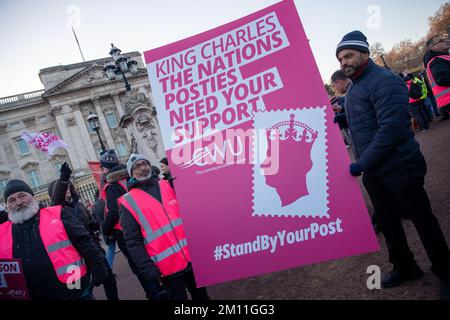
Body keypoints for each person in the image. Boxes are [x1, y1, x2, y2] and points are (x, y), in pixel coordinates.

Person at [336, 30, 450, 300]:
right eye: (341, 59)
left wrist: (361, 163)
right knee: (388, 222)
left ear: (364, 53)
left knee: (423, 220)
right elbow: (365, 120)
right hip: (376, 171)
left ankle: (445, 271)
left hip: (400, 166)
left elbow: (392, 128)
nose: (344, 62)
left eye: (349, 55)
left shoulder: (384, 80)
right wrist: (341, 120)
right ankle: (405, 266)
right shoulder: (355, 86)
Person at [119, 154, 209, 300]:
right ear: (131, 174)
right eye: (137, 166)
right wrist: (147, 268)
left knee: (202, 296)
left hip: (190, 258)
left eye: (144, 163)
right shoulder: (128, 202)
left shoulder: (167, 184)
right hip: (166, 268)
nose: (142, 168)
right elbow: (133, 242)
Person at [0, 179, 108, 300]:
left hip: (73, 288)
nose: (18, 202)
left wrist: (98, 266)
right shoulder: (2, 231)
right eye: (12, 200)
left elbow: (83, 240)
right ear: (7, 206)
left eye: (22, 196)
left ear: (32, 196)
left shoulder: (56, 213)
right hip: (33, 295)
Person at [48, 162, 119, 300]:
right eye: (64, 188)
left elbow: (90, 224)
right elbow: (57, 200)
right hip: (74, 258)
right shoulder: (56, 210)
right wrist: (63, 179)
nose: (67, 189)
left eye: (68, 187)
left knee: (109, 280)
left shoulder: (79, 205)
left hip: (94, 251)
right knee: (83, 292)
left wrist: (96, 224)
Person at [100, 149, 158, 299]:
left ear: (106, 168)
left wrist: (105, 228)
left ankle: (154, 293)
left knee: (139, 265)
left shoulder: (111, 185)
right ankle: (160, 288)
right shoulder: (131, 176)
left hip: (125, 230)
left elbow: (113, 212)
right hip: (144, 222)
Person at [424, 34, 450, 121]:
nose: (445, 41)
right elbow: (441, 79)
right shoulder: (437, 61)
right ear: (433, 48)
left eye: (443, 39)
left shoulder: (441, 58)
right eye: (441, 41)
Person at [330, 70, 352, 146]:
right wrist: (341, 109)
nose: (334, 89)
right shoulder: (351, 91)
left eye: (333, 86)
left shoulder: (353, 92)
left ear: (339, 82)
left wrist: (342, 117)